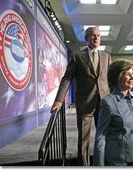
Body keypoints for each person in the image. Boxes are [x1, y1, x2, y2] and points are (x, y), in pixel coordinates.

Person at [51, 27, 111, 166]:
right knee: (84, 140)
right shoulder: (77, 57)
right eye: (92, 35)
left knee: (103, 137)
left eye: (98, 35)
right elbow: (67, 79)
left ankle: (103, 164)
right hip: (85, 104)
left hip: (104, 103)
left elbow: (111, 79)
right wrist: (59, 100)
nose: (95, 38)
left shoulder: (106, 56)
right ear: (86, 39)